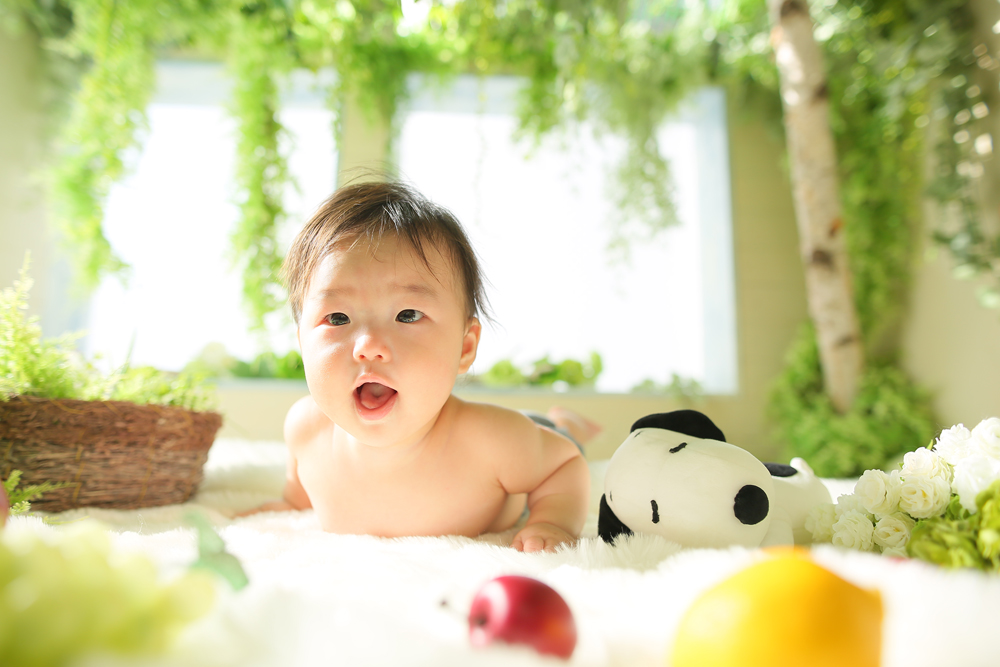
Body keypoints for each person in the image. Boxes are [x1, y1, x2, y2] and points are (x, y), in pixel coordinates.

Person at [242, 181, 593, 553]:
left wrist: (552, 521)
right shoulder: (305, 429)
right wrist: (291, 503)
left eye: (407, 315)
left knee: (557, 436)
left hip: (524, 446)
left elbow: (563, 465)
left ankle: (567, 422)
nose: (369, 346)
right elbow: (302, 482)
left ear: (464, 347)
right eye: (338, 318)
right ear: (302, 343)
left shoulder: (491, 442)